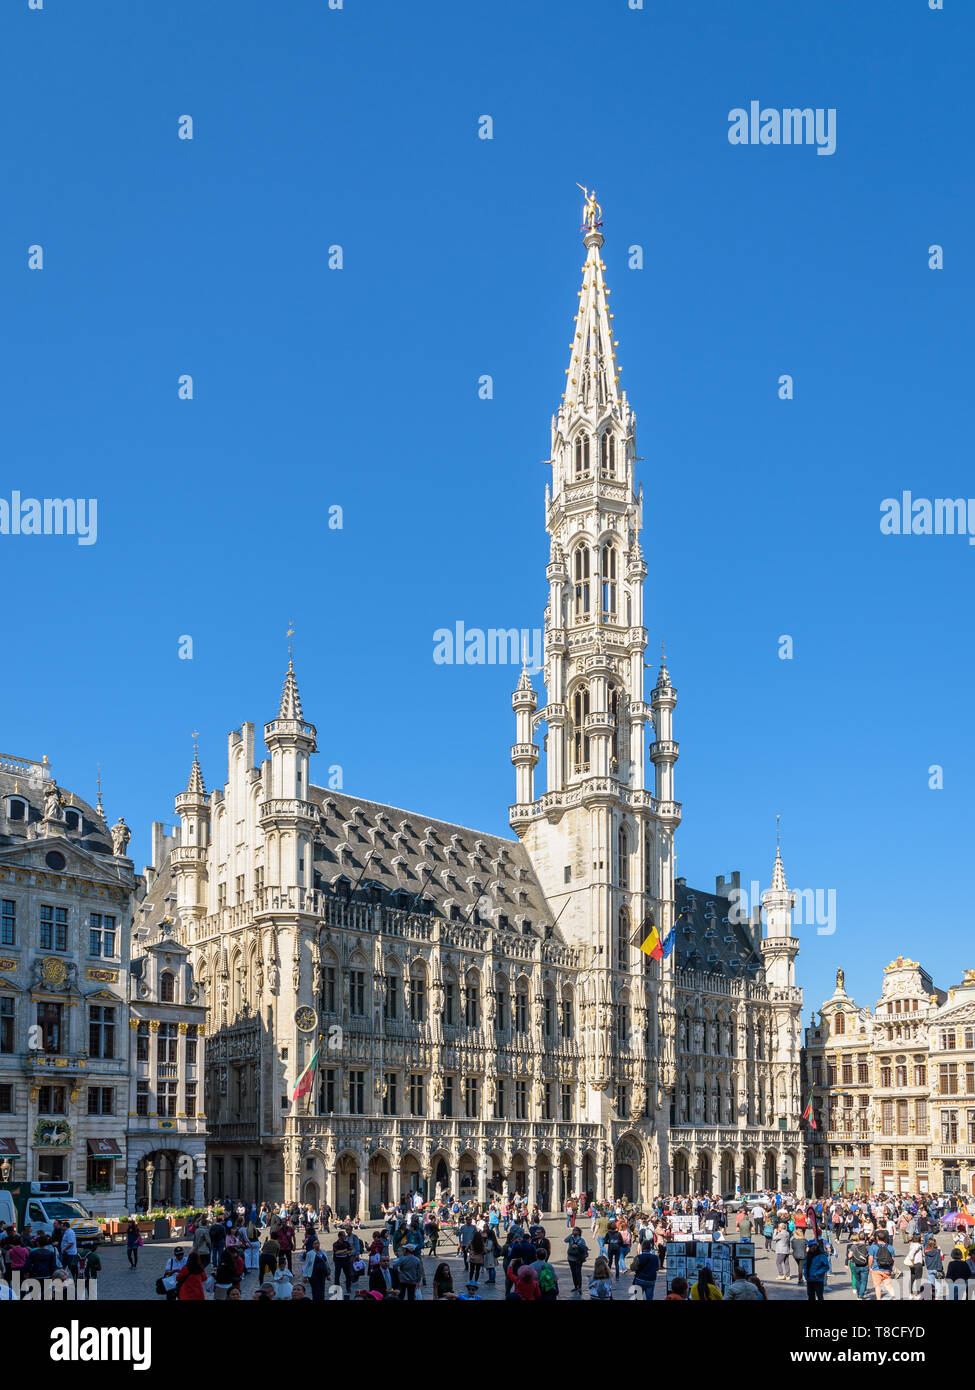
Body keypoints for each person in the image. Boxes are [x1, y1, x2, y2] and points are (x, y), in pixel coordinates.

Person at [566, 1227, 589, 1297]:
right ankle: (575, 1286)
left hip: (578, 1258)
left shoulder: (581, 1240)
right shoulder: (570, 1238)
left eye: (576, 1231)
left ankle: (580, 1286)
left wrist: (577, 1246)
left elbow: (584, 1248)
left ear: (579, 1232)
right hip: (570, 1258)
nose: (574, 1232)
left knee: (578, 1272)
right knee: (573, 1272)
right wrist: (571, 1234)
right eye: (573, 1230)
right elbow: (565, 1240)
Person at [846, 1232, 870, 1300]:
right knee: (864, 1281)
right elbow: (871, 1256)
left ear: (858, 1238)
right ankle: (861, 1295)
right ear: (865, 1238)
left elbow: (849, 1256)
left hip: (856, 1265)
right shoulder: (868, 1246)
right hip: (865, 1265)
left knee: (857, 1280)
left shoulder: (854, 1246)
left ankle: (858, 1293)